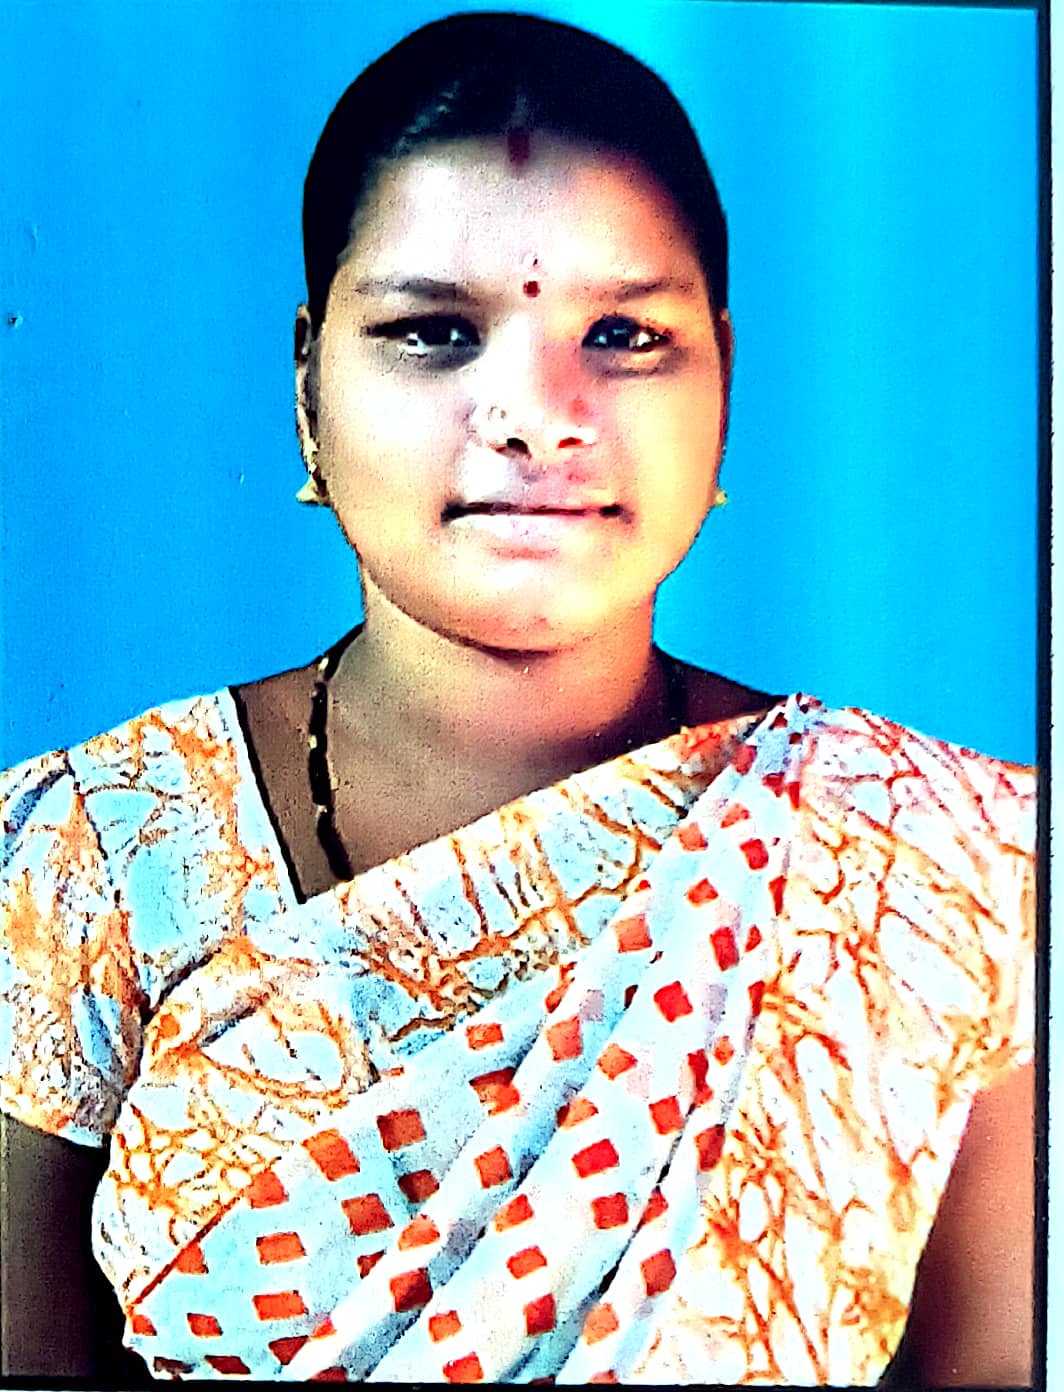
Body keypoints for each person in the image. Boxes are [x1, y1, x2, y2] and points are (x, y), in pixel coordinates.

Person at [0, 11, 1035, 1385]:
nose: (539, 415)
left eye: (624, 334)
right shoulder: (92, 853)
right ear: (309, 387)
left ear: (723, 386)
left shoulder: (937, 860)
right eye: (433, 332)